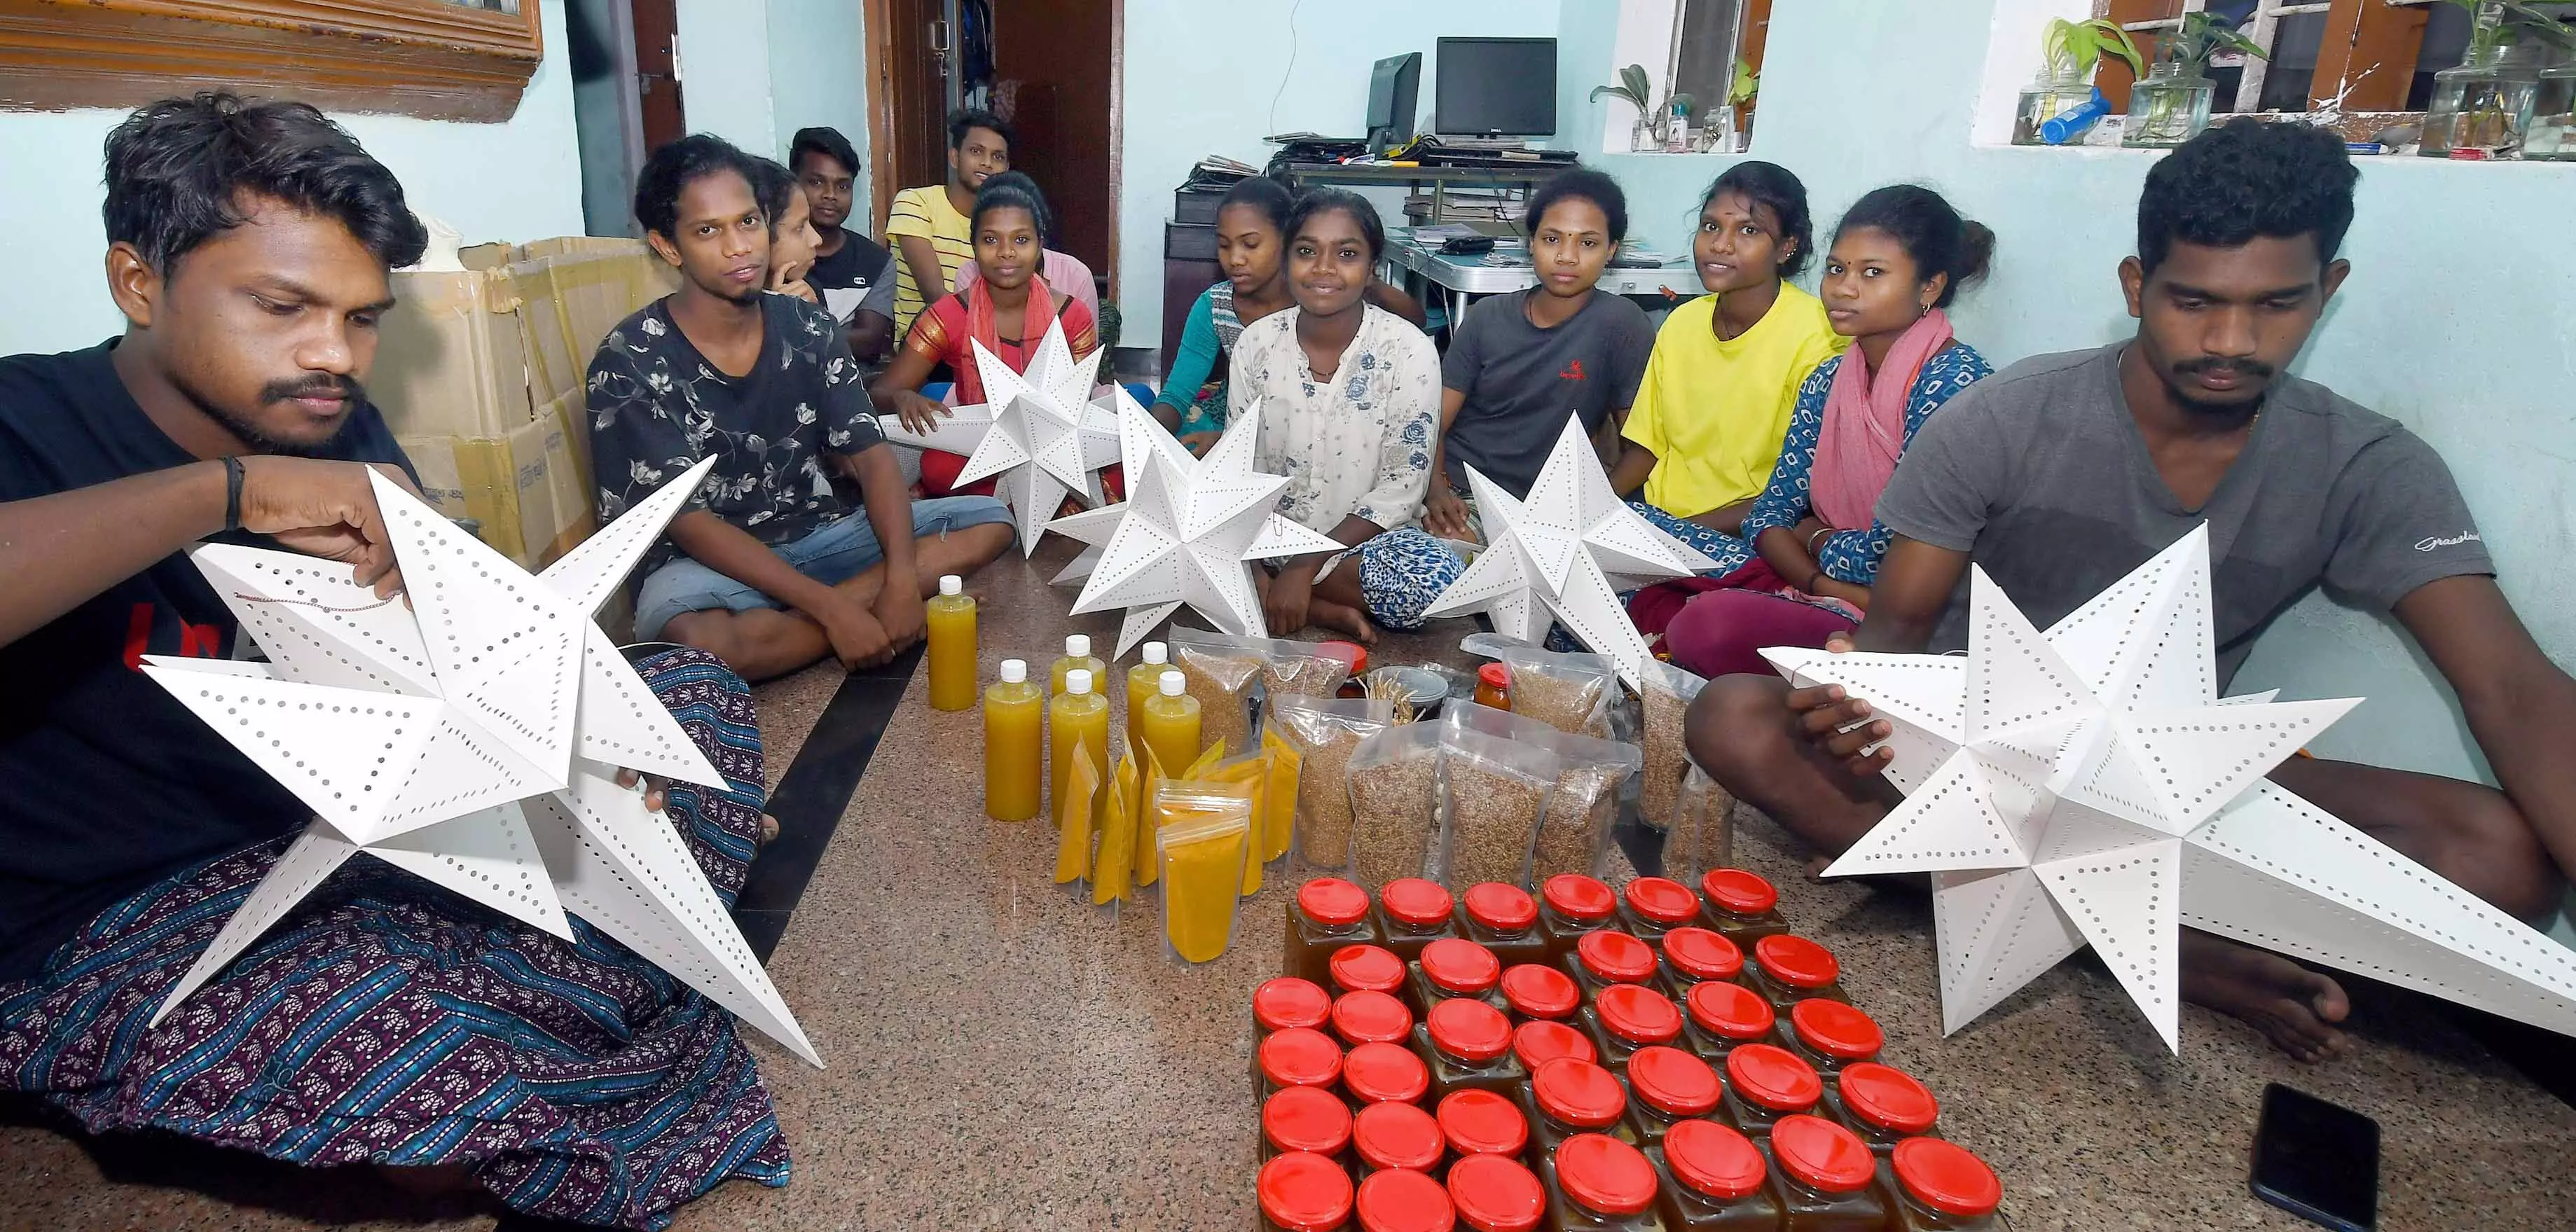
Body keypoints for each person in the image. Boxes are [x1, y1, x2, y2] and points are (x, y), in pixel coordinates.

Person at [0, 93, 787, 1228]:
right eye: (282, 306)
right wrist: (230, 491)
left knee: (683, 702)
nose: (333, 353)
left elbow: (448, 661)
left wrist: (562, 726)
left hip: (354, 842)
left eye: (362, 318)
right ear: (138, 282)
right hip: (129, 921)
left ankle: (524, 1000)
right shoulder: (25, 419)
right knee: (399, 1043)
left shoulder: (331, 415)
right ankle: (526, 1011)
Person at [1683, 119, 2576, 1064]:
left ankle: (2038, 906)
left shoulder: (2364, 463)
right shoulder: (2002, 418)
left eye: (2277, 304)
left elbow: (2512, 689)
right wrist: (1851, 704)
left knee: (2503, 859)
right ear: (2135, 286)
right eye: (2193, 301)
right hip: (1975, 766)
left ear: (2329, 289)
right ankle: (2165, 947)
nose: (2230, 340)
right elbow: (1892, 642)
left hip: (2172, 785)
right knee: (1734, 718)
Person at [591, 134, 1015, 682]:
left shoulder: (808, 327)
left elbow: (870, 457)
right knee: (702, 644)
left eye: (748, 222)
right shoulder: (629, 357)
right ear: (668, 247)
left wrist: (899, 581)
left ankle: (805, 628)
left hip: (822, 536)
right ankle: (855, 618)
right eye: (707, 231)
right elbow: (690, 524)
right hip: (708, 567)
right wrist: (835, 610)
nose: (738, 247)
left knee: (989, 523)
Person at [1653, 185, 1996, 677]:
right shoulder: (1829, 379)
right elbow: (1768, 515)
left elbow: (1891, 557)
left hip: (1913, 617)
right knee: (1639, 548)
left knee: (1704, 624)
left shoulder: (1953, 384)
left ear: (1929, 287)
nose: (1843, 288)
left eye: (1872, 273)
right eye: (1836, 270)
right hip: (1819, 585)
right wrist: (1819, 580)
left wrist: (1810, 537)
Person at [1227, 189, 1462, 643]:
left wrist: (1306, 564)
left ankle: (1285, 594)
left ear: (1372, 267)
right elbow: (1239, 471)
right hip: (1270, 537)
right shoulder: (1256, 344)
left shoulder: (1408, 349)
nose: (1323, 268)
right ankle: (1306, 603)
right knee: (1181, 539)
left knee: (1435, 581)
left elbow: (1403, 487)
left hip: (1363, 542)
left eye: (1347, 254)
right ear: (1286, 261)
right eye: (1306, 251)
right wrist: (1258, 561)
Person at [1609, 162, 1845, 573]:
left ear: (1786, 248)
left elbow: (1800, 494)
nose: (1720, 244)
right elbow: (1648, 448)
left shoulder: (1821, 339)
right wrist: (1594, 511)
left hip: (1751, 535)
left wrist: (1675, 536)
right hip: (1657, 520)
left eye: (1749, 230)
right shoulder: (1682, 323)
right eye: (1711, 226)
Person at [1424, 168, 1655, 543]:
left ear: (1612, 250)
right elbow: (1433, 424)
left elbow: (1643, 447)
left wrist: (1591, 515)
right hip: (1461, 492)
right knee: (1435, 560)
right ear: (1531, 243)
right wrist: (1436, 488)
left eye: (1588, 243)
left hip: (1551, 510)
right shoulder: (1487, 317)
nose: (1567, 256)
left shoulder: (1622, 325)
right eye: (1552, 239)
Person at [1154, 177, 1431, 455]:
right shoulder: (1216, 307)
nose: (1235, 259)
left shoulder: (1319, 297)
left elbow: (1414, 322)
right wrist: (1146, 439)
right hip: (1238, 417)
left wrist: (1365, 280)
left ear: (1287, 242)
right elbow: (1177, 394)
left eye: (1251, 244)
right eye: (1225, 245)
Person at [869, 172, 1103, 499]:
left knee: (1115, 458)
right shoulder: (948, 316)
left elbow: (1077, 410)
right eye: (991, 240)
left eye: (1021, 240)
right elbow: (881, 391)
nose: (1006, 252)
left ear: (1040, 245)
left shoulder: (1072, 316)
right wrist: (902, 397)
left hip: (1053, 448)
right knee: (938, 466)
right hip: (979, 444)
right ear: (974, 246)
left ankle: (999, 507)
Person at [884, 108, 1011, 338]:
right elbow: (935, 296)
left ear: (1007, 169)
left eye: (998, 157)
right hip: (925, 344)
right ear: (954, 157)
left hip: (986, 340)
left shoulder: (1005, 223)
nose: (987, 163)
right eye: (976, 151)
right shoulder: (916, 202)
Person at [789, 125, 897, 364]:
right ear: (793, 183)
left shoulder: (876, 262)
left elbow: (869, 344)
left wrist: (798, 332)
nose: (830, 195)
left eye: (842, 186)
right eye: (816, 182)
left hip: (854, 376)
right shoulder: (776, 252)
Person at [750, 154, 825, 305]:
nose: (817, 240)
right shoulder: (727, 309)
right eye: (800, 228)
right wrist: (780, 312)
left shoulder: (806, 290)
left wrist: (812, 312)